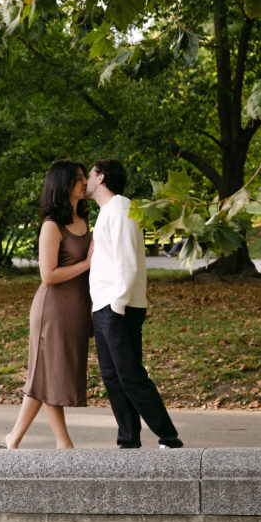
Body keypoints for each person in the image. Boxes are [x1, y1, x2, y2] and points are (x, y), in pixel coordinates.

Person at [85, 158, 183, 449]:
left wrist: (117, 306)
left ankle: (169, 437)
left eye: (90, 175)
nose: (86, 181)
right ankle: (128, 440)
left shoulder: (122, 209)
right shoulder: (106, 212)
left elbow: (127, 262)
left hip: (120, 308)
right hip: (104, 308)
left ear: (101, 178)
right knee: (113, 378)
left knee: (130, 376)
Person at [3, 160, 93, 449]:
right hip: (52, 310)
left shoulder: (84, 220)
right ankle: (63, 443)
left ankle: (13, 437)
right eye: (78, 178)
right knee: (50, 373)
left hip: (76, 309)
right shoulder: (52, 225)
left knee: (45, 374)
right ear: (63, 184)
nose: (84, 182)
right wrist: (88, 263)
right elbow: (48, 275)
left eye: (84, 177)